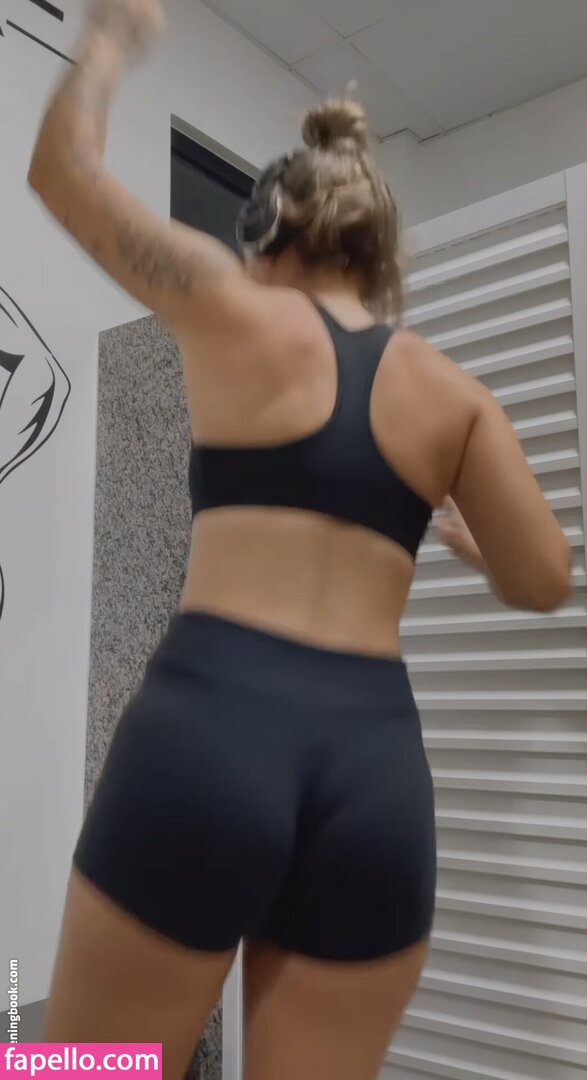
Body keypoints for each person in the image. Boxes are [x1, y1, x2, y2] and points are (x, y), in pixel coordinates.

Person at [28, 1, 572, 1077]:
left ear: (267, 237)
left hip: (208, 740)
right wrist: (465, 543)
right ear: (376, 259)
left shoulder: (231, 304)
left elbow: (62, 172)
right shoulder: (453, 396)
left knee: (86, 1069)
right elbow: (544, 577)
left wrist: (109, 40)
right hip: (373, 778)